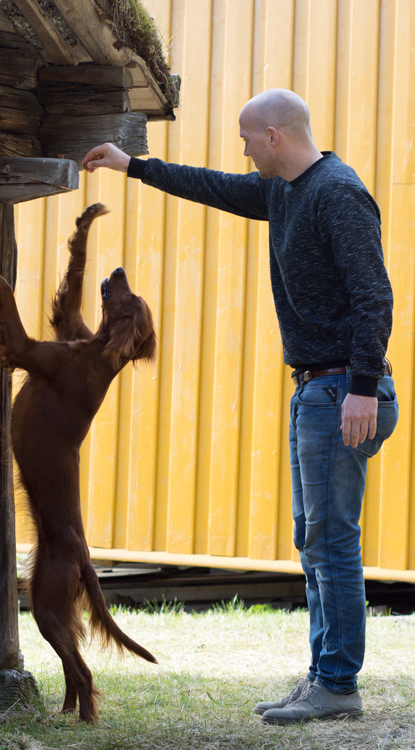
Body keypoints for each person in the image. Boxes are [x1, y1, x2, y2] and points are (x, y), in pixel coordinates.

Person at [81, 88, 399, 724]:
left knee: (331, 542)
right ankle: (324, 676)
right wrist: (132, 165)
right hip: (317, 390)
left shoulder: (338, 193)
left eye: (248, 137)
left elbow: (375, 297)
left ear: (276, 136)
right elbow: (213, 186)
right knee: (313, 540)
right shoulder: (284, 191)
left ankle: (337, 683)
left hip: (344, 391)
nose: (244, 148)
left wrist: (362, 387)